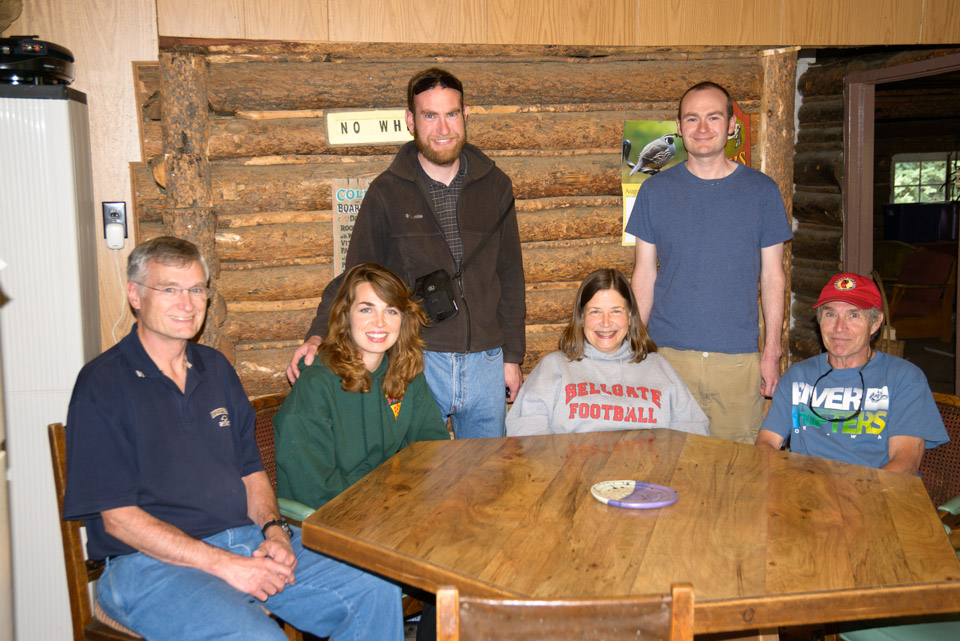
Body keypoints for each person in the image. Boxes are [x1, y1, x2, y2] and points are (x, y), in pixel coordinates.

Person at [62, 237, 403, 641]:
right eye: (169, 289)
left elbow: (251, 470)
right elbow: (118, 520)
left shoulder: (215, 369)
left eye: (196, 290)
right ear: (135, 295)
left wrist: (274, 531)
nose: (187, 304)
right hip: (148, 565)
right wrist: (223, 565)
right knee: (257, 637)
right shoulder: (103, 383)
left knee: (375, 589)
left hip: (244, 540)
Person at [287, 67, 525, 440]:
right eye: (430, 115)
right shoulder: (386, 192)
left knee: (487, 477)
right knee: (420, 477)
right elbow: (355, 276)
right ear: (410, 121)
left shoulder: (496, 186)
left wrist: (512, 357)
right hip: (417, 359)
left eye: (451, 114)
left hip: (487, 360)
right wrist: (318, 334)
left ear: (465, 117)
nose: (443, 128)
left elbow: (511, 276)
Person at [627, 81, 793, 444]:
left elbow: (773, 277)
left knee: (734, 476)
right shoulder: (654, 191)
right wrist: (634, 348)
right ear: (679, 127)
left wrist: (773, 350)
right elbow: (643, 275)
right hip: (667, 357)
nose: (702, 128)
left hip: (737, 362)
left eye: (713, 117)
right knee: (665, 468)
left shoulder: (763, 191)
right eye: (692, 119)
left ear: (732, 125)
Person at [275, 263, 450, 511]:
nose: (380, 323)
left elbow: (431, 448)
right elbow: (314, 489)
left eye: (391, 311)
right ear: (345, 315)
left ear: (404, 318)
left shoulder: (406, 373)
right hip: (328, 521)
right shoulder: (316, 385)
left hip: (393, 508)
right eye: (367, 309)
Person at [756, 273, 949, 473]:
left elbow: (905, 464)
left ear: (875, 323)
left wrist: (856, 497)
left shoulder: (904, 378)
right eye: (830, 314)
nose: (839, 327)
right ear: (820, 320)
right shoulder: (798, 376)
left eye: (853, 315)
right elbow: (766, 443)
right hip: (807, 493)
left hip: (875, 494)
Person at [507, 268, 709, 437]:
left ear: (630, 317)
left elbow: (693, 430)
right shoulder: (554, 368)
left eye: (616, 311)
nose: (605, 323)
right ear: (582, 317)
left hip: (649, 480)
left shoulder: (659, 367)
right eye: (595, 311)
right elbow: (526, 434)